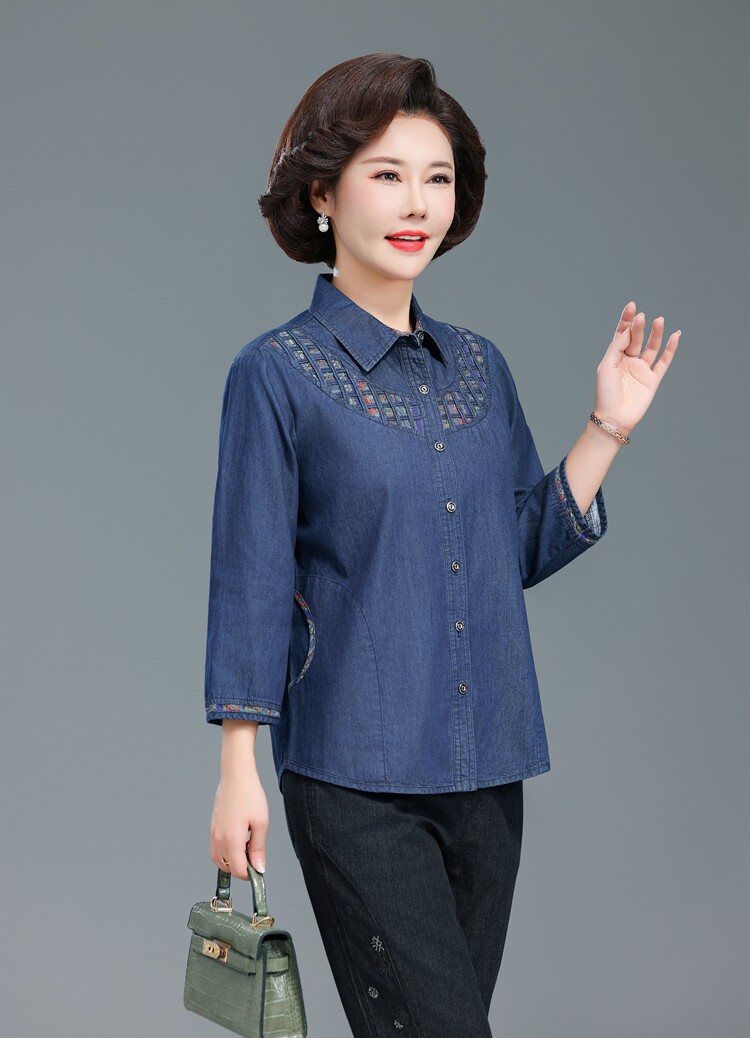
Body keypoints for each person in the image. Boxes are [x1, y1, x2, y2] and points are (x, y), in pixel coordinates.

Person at [204, 52, 681, 1037]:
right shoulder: (276, 374)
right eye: (387, 174)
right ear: (323, 193)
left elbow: (516, 551)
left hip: (488, 772)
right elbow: (250, 577)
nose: (416, 202)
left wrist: (608, 430)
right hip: (354, 778)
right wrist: (238, 767)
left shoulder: (479, 368)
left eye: (438, 177)